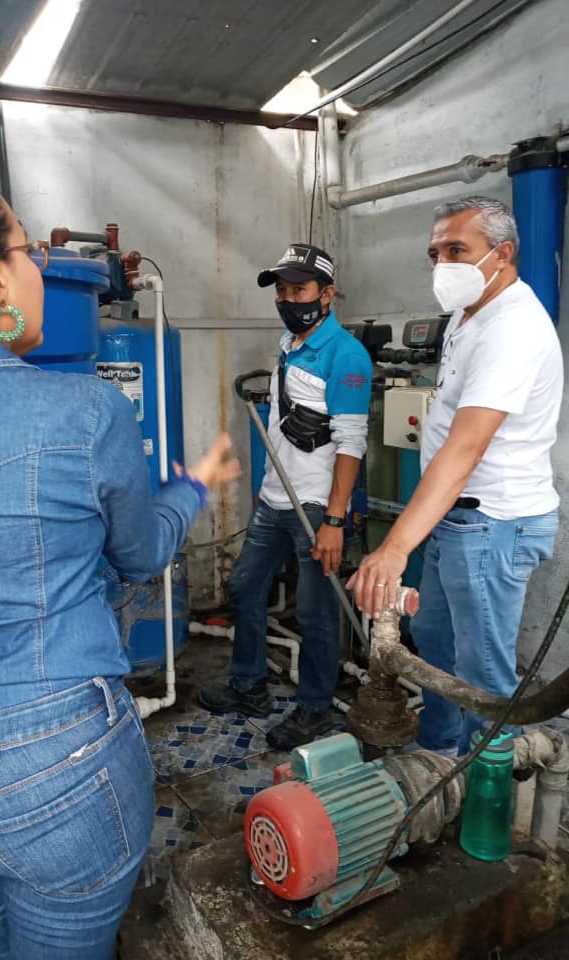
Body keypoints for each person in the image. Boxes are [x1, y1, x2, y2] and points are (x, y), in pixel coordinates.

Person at [0, 156, 239, 960]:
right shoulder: (84, 410)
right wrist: (192, 487)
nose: (36, 268)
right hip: (58, 773)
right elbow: (139, 556)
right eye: (26, 250)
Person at [348, 196, 563, 756]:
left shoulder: (512, 327)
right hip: (456, 517)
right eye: (434, 253)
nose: (441, 264)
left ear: (502, 253)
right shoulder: (471, 317)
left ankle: (486, 782)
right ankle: (438, 755)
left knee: (482, 670)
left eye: (456, 250)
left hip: (493, 523)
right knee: (435, 643)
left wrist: (394, 548)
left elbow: (465, 447)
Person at [199, 243, 372, 750]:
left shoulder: (346, 355)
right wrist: (266, 488)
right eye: (281, 290)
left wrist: (335, 521)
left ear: (327, 294)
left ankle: (315, 707)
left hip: (315, 507)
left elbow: (351, 443)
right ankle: (249, 686)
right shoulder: (289, 344)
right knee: (245, 587)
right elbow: (281, 427)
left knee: (316, 613)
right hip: (275, 500)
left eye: (298, 289)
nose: (287, 299)